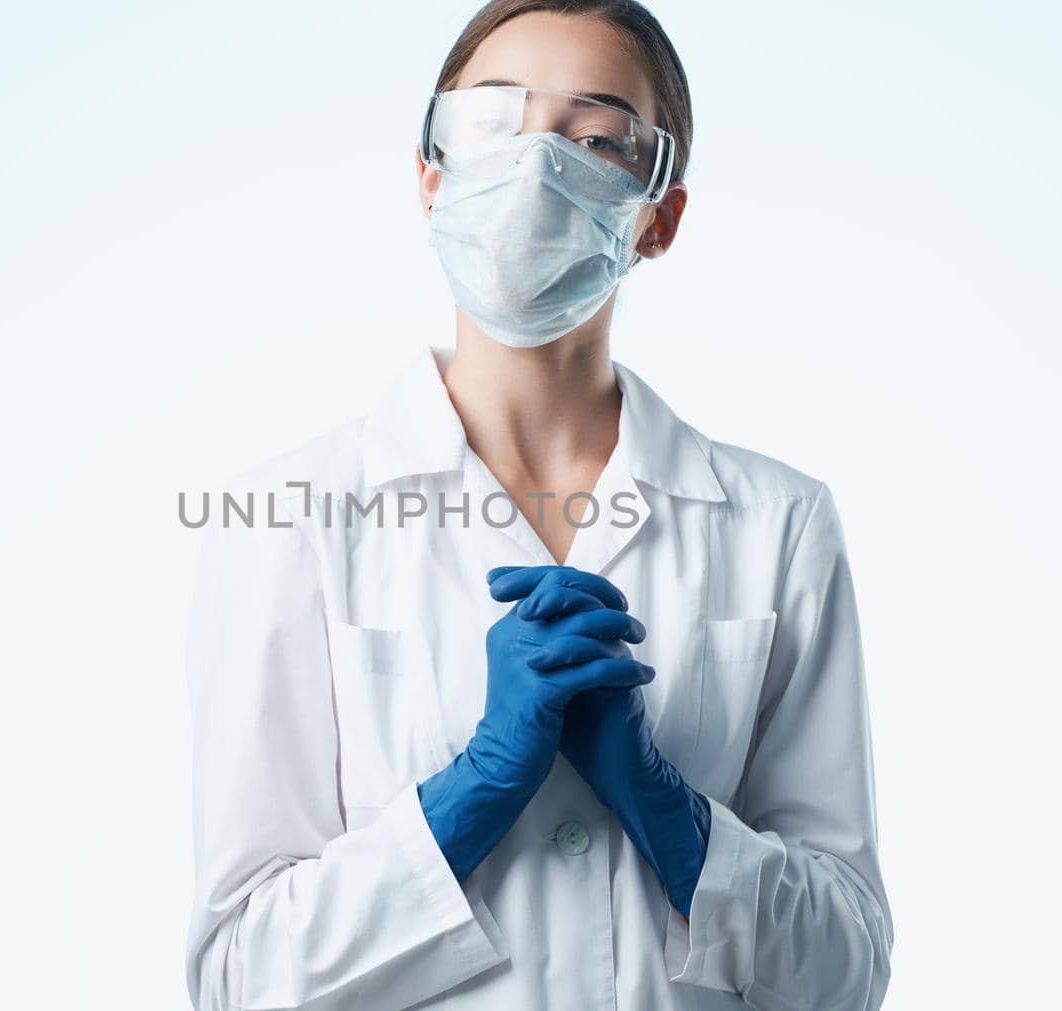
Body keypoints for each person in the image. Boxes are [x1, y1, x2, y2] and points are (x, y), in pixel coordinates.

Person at [181, 2, 894, 1007]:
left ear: (659, 216)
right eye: (492, 124)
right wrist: (471, 792)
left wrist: (665, 810)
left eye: (597, 139)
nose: (535, 168)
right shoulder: (292, 519)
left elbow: (846, 974)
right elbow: (236, 977)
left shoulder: (777, 524)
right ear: (431, 181)